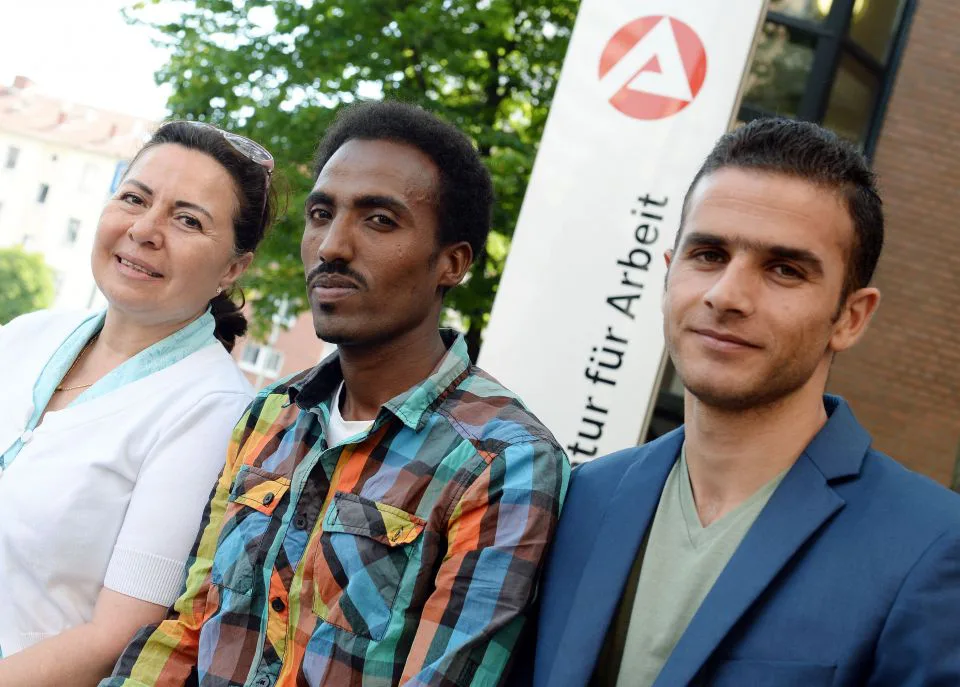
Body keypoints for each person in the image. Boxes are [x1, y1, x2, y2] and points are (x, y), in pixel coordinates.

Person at [103, 100, 570, 687]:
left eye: (380, 221)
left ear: (451, 263)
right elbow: (188, 628)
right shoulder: (271, 417)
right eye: (321, 214)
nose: (331, 246)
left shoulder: (503, 461)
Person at [513, 118, 960, 686]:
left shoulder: (932, 547)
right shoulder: (581, 499)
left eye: (784, 269)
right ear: (668, 275)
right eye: (708, 254)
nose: (726, 295)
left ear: (850, 317)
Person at [0, 120, 276, 686]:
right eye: (134, 198)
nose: (145, 230)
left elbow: (117, 638)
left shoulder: (212, 410)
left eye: (188, 220)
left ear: (232, 269)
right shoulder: (26, 335)